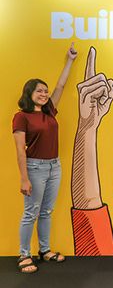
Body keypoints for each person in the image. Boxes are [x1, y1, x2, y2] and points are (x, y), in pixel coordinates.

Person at [12, 43, 77, 273]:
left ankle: (44, 250)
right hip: (35, 167)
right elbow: (20, 150)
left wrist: (69, 61)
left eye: (45, 91)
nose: (44, 93)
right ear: (29, 93)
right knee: (31, 212)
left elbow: (61, 85)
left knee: (46, 211)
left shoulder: (49, 110)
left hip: (54, 166)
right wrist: (24, 178)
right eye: (39, 90)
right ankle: (23, 254)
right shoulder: (22, 117)